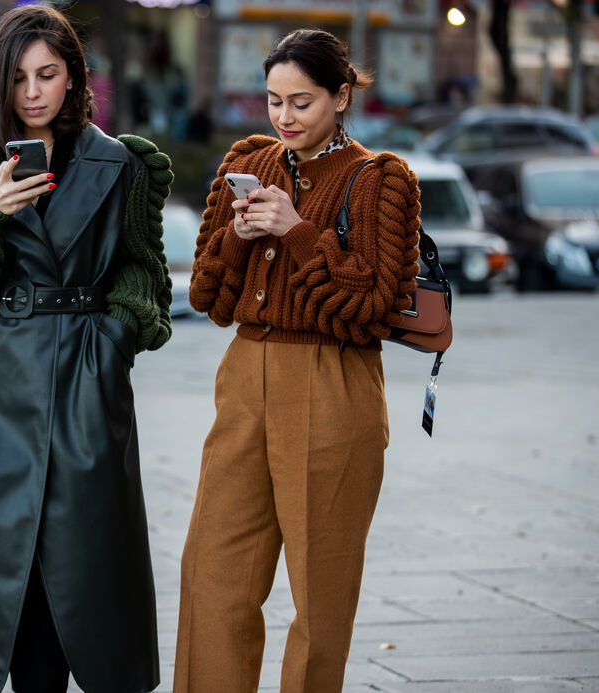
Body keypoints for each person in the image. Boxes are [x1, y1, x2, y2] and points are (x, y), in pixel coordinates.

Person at [0, 6, 173, 693]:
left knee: (91, 567)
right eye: (19, 76)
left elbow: (143, 271)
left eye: (49, 74)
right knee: (11, 578)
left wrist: (116, 336)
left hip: (88, 374)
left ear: (75, 77)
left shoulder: (121, 165)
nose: (33, 92)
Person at [174, 28, 421, 693]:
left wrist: (298, 231)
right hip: (245, 374)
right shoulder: (249, 159)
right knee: (212, 570)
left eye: (302, 102)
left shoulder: (381, 178)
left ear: (341, 96)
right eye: (274, 100)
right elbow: (208, 295)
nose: (284, 118)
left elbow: (373, 301)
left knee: (321, 587)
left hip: (332, 379)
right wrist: (237, 233)